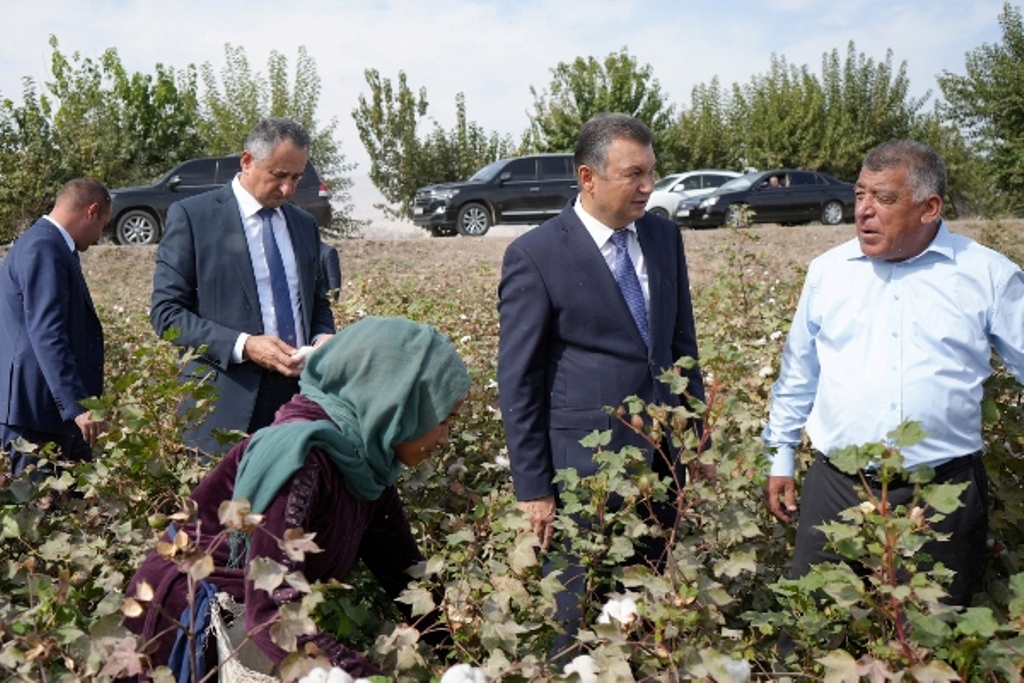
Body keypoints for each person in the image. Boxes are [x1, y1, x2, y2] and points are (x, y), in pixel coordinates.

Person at [123, 316, 471, 678]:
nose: (445, 438)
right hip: (192, 626)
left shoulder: (366, 462)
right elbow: (272, 612)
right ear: (397, 405)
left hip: (248, 622)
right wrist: (360, 674)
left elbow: (403, 571)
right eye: (443, 419)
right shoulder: (302, 459)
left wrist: (459, 650)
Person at [762, 139, 1024, 606]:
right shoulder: (829, 273)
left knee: (934, 640)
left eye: (883, 198)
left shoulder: (987, 276)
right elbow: (799, 372)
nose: (863, 210)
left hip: (943, 495)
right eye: (860, 194)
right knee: (810, 631)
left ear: (930, 208)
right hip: (838, 487)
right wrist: (781, 454)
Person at [497, 113, 708, 645]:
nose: (648, 186)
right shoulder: (536, 254)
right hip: (581, 478)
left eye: (652, 172)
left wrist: (695, 442)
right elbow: (518, 381)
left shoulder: (663, 237)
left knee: (649, 615)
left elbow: (682, 349)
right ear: (587, 178)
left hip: (661, 465)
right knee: (575, 621)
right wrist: (534, 488)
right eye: (633, 174)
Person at [151, 118, 336, 454]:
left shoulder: (303, 224)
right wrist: (245, 345)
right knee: (229, 506)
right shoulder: (194, 218)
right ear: (247, 161)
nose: (288, 189)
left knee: (285, 504)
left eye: (296, 177)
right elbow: (167, 315)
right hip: (223, 403)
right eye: (279, 176)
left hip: (297, 402)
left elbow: (316, 302)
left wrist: (322, 338)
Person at [0, 178, 111, 475]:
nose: (100, 235)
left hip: (51, 413)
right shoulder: (44, 247)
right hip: (35, 414)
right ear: (91, 210)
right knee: (36, 513)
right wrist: (77, 406)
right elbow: (47, 333)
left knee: (71, 510)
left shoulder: (50, 245)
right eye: (102, 224)